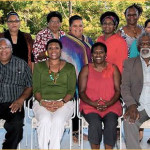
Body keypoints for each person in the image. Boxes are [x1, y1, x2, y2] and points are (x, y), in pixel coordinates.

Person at [32, 39, 76, 149]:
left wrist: (62, 102)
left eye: (56, 47)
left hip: (65, 103)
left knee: (58, 121)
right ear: (46, 51)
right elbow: (36, 89)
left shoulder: (70, 67)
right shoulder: (39, 67)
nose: (53, 50)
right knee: (45, 121)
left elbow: (71, 90)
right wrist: (43, 102)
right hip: (42, 102)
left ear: (61, 50)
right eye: (50, 48)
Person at [79, 42, 122, 149]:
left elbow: (118, 90)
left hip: (111, 105)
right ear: (91, 55)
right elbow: (81, 91)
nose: (98, 55)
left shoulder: (113, 68)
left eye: (101, 52)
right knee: (95, 124)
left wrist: (108, 104)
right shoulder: (86, 69)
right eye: (95, 53)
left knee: (111, 124)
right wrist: (93, 103)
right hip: (90, 106)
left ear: (105, 54)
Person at [60, 15, 93, 142]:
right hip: (70, 77)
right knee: (74, 102)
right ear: (69, 27)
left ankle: (80, 131)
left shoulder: (89, 40)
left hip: (87, 77)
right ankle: (75, 133)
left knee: (83, 103)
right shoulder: (64, 40)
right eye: (75, 26)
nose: (78, 28)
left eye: (80, 25)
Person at [0, 38, 32, 149]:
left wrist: (21, 99)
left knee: (17, 125)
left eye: (6, 47)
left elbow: (29, 85)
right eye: (0, 47)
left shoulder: (22, 64)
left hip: (13, 103)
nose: (3, 50)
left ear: (11, 49)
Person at [121, 32, 150, 149]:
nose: (145, 46)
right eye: (142, 44)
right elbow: (125, 86)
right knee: (129, 122)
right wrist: (131, 105)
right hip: (139, 106)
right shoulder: (129, 63)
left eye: (148, 43)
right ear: (138, 47)